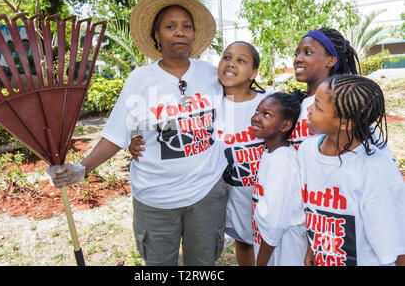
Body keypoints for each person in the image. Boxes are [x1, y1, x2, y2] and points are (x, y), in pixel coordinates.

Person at [47, 0, 229, 266]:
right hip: (156, 199)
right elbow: (116, 134)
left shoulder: (212, 75)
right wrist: (81, 169)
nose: (180, 32)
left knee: (203, 266)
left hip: (206, 194)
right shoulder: (140, 80)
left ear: (194, 35)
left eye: (186, 26)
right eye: (170, 26)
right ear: (156, 36)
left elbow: (241, 108)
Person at [130, 40, 271, 266]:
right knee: (244, 243)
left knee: (270, 246)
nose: (231, 63)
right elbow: (173, 126)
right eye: (226, 57)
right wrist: (138, 142)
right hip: (227, 195)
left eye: (241, 60)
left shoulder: (268, 103)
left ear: (254, 72)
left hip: (265, 193)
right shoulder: (208, 102)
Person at [300, 75, 405, 266]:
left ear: (345, 122)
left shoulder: (377, 171)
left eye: (317, 106)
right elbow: (314, 211)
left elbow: (397, 248)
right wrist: (312, 246)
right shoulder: (307, 151)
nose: (308, 109)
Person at [250, 92, 308, 266]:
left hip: (285, 253)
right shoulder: (271, 153)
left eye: (267, 115)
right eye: (257, 111)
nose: (256, 118)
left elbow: (274, 226)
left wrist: (259, 264)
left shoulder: (282, 162)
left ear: (285, 125)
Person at [289, 28, 360, 149]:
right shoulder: (295, 103)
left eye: (308, 52)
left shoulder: (341, 103)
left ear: (330, 61)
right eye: (297, 54)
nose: (297, 59)